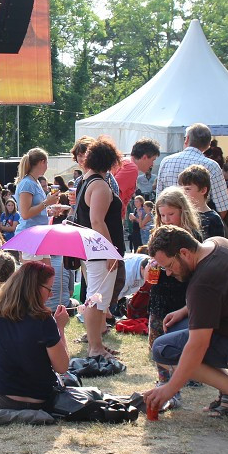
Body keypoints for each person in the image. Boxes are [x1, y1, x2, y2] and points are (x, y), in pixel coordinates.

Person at [142, 226, 228, 418]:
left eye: (169, 266)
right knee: (174, 328)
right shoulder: (216, 243)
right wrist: (185, 310)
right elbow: (224, 292)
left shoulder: (203, 282)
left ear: (184, 252)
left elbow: (198, 345)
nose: (168, 273)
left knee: (162, 349)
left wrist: (169, 388)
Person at [0, 261, 70, 412]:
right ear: (34, 288)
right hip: (42, 400)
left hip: (2, 401)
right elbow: (62, 367)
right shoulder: (45, 320)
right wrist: (60, 327)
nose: (51, 294)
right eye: (49, 289)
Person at [146, 188, 205, 408]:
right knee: (156, 338)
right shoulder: (158, 236)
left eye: (171, 214)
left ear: (183, 211)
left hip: (183, 295)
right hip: (160, 293)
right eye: (162, 214)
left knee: (183, 339)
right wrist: (148, 267)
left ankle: (187, 376)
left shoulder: (192, 239)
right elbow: (152, 262)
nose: (166, 219)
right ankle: (165, 381)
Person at [73, 138, 126, 360]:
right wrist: (110, 251)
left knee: (95, 300)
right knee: (95, 301)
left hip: (91, 250)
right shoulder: (100, 185)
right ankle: (95, 347)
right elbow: (97, 221)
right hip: (99, 251)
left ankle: (97, 345)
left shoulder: (86, 181)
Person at [154, 123, 228, 221]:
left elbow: (159, 199)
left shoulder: (166, 161)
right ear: (208, 145)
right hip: (200, 226)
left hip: (169, 223)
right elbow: (222, 206)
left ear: (186, 139)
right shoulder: (212, 166)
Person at [17, 148, 60, 243]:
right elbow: (25, 214)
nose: (47, 167)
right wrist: (47, 202)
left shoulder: (35, 182)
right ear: (42, 162)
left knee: (47, 259)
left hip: (39, 234)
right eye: (47, 163)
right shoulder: (27, 183)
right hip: (29, 235)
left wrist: (50, 211)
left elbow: (37, 210)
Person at [178, 166, 228, 240]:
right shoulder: (181, 213)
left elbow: (216, 247)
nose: (182, 192)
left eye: (187, 189)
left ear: (203, 190)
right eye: (181, 188)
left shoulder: (213, 219)